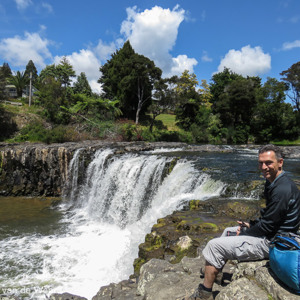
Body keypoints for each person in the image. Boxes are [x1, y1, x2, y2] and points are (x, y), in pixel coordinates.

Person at [185, 144, 300, 300]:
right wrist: (251, 225)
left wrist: (246, 232)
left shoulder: (282, 189)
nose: (264, 167)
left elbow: (268, 226)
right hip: (272, 234)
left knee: (214, 246)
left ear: (280, 162)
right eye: (261, 163)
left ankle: (204, 293)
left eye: (268, 162)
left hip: (274, 243)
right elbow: (271, 218)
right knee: (228, 231)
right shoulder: (274, 181)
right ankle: (214, 273)